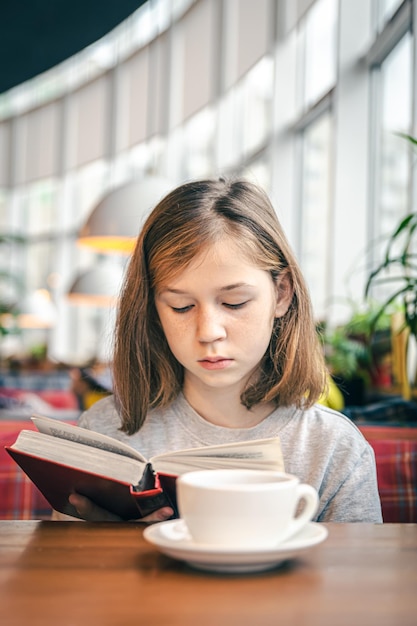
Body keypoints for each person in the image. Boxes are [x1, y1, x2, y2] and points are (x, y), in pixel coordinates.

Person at [64, 178, 382, 523]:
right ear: (153, 309)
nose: (209, 332)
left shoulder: (333, 447)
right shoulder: (104, 432)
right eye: (181, 306)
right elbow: (61, 573)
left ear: (282, 293)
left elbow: (358, 576)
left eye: (234, 302)